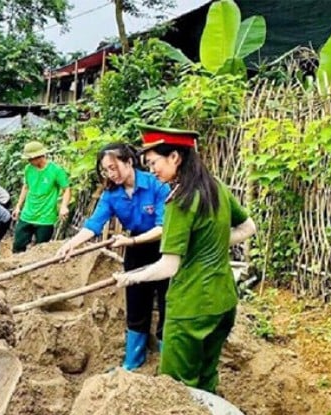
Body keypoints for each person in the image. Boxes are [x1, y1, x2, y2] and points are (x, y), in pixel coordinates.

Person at [113, 126, 257, 394]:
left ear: (175, 157)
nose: (152, 170)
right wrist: (208, 243)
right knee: (206, 376)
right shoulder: (218, 188)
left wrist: (131, 277)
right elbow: (249, 228)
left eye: (154, 162)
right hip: (223, 301)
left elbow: (169, 266)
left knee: (178, 389)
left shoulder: (179, 201)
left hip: (191, 307)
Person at [57, 143, 171, 370]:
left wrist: (131, 241)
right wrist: (70, 245)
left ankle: (167, 357)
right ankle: (133, 360)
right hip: (136, 250)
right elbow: (94, 225)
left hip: (165, 248)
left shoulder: (156, 185)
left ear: (129, 162)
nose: (111, 174)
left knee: (168, 298)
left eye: (114, 167)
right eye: (106, 170)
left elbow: (163, 226)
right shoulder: (112, 195)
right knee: (137, 301)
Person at [12, 141, 71, 253]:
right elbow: (26, 187)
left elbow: (66, 189)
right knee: (17, 246)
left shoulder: (56, 170)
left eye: (31, 159)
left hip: (46, 218)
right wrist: (18, 206)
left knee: (41, 251)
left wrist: (64, 206)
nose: (29, 161)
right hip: (27, 215)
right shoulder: (28, 169)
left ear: (40, 156)